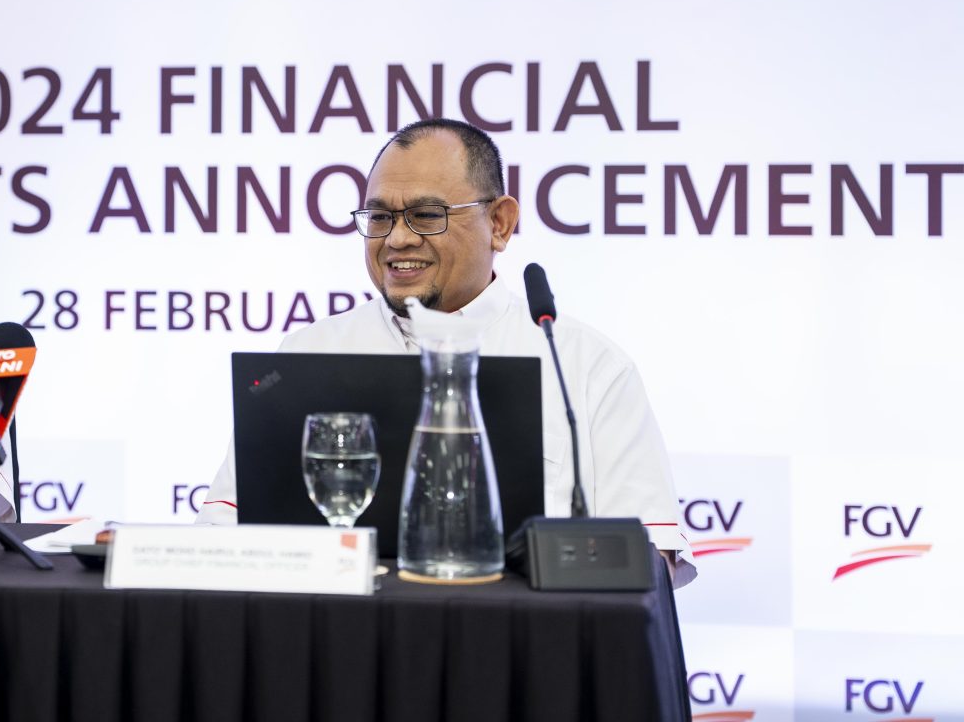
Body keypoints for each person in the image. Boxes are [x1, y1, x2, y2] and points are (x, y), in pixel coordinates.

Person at [196, 118, 695, 586]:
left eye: (426, 216)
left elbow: (652, 561)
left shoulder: (585, 366)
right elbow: (222, 532)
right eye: (380, 217)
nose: (397, 239)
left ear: (500, 223)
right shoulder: (308, 354)